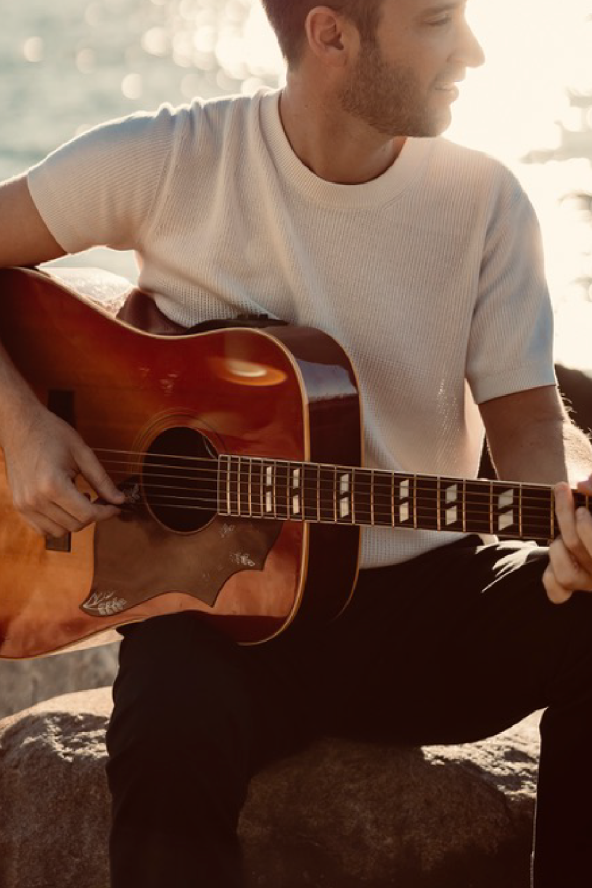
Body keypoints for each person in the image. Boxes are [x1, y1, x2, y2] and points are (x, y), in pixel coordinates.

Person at [1, 1, 592, 885]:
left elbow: (529, 424)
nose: (472, 49)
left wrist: (567, 530)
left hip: (432, 611)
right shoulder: (171, 158)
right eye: (437, 22)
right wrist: (23, 431)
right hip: (222, 624)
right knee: (166, 731)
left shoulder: (485, 199)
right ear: (331, 34)